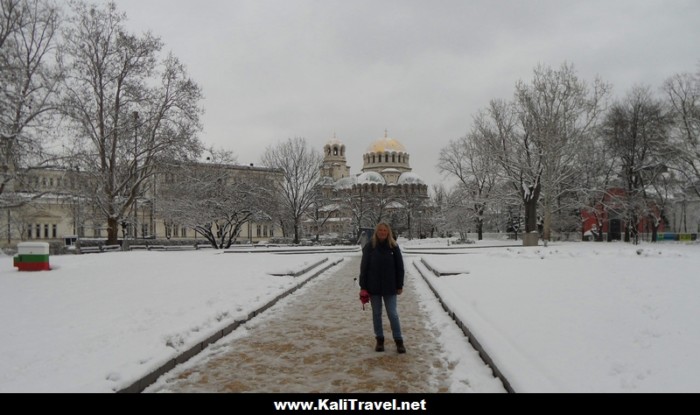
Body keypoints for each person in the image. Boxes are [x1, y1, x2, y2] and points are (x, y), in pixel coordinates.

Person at [358, 222, 406, 354]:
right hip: (373, 287)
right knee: (376, 314)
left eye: (385, 230)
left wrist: (399, 285)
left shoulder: (394, 247)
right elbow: (364, 268)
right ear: (376, 232)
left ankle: (399, 340)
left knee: (393, 314)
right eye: (380, 230)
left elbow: (400, 267)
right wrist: (363, 287)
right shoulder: (370, 247)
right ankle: (379, 339)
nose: (383, 232)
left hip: (390, 286)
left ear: (388, 232)